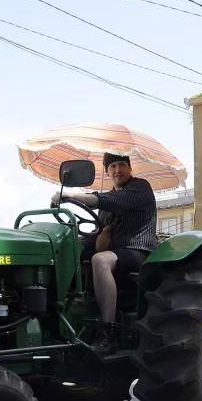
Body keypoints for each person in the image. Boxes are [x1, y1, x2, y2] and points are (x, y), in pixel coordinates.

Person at [50, 152, 158, 355]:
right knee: (69, 250)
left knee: (100, 260)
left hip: (139, 252)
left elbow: (113, 201)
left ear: (129, 168)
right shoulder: (108, 201)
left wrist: (70, 195)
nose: (117, 170)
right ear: (107, 172)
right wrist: (74, 242)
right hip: (116, 253)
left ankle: (107, 333)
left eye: (121, 165)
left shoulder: (140, 187)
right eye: (112, 167)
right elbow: (100, 232)